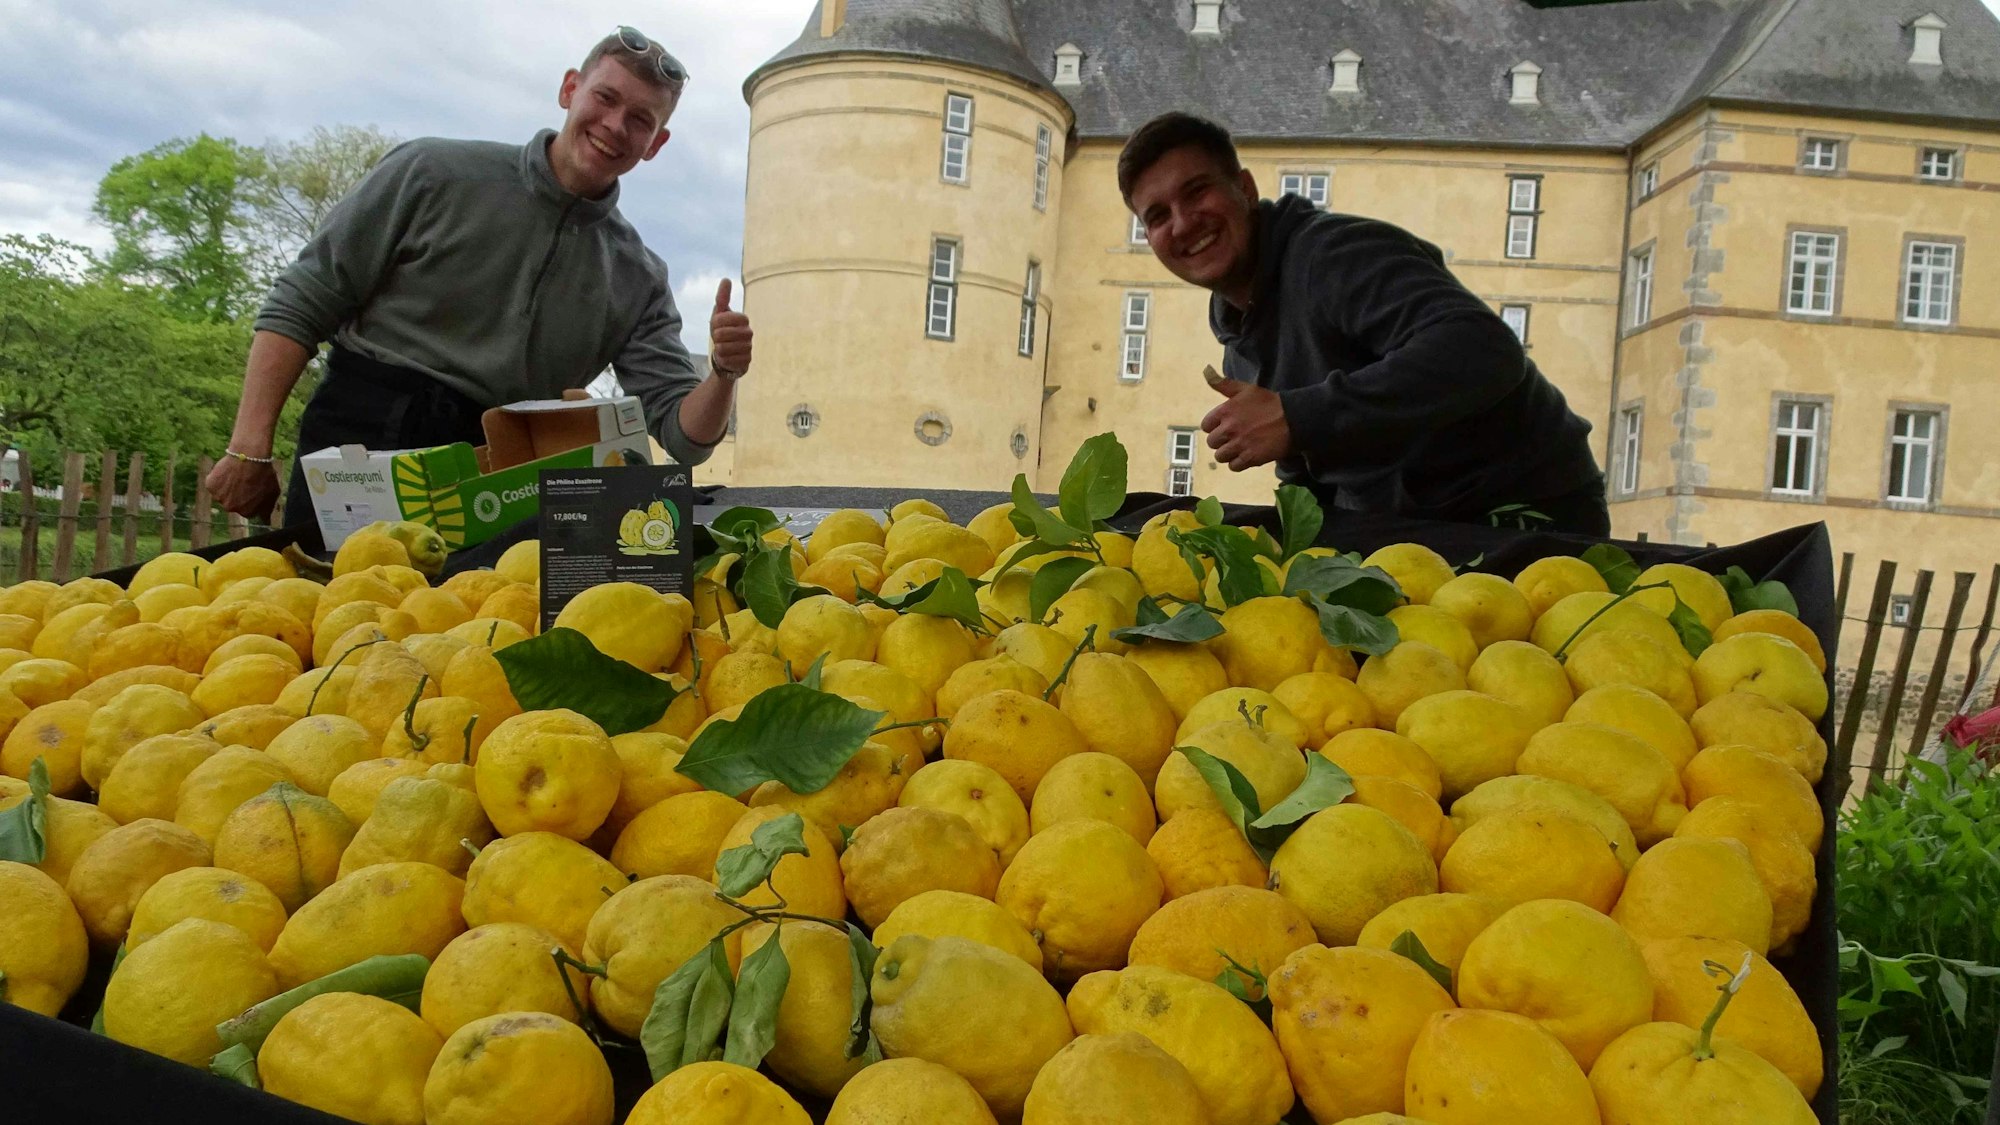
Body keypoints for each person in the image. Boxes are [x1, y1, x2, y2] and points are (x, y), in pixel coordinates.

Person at [209, 27, 751, 528]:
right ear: (569, 89)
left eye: (640, 119)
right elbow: (302, 303)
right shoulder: (430, 173)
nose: (615, 125)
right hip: (363, 442)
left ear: (656, 144)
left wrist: (723, 375)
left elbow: (686, 439)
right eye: (605, 98)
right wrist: (248, 449)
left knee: (473, 625)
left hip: (501, 478)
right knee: (328, 617)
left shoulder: (640, 277)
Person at [1119, 112, 1608, 534]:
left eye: (1197, 191)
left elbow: (1484, 349)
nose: (1183, 223)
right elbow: (1311, 472)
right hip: (1412, 530)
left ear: (1244, 189)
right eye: (1159, 216)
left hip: (1523, 510)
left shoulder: (1333, 256)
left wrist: (1298, 415)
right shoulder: (1238, 337)